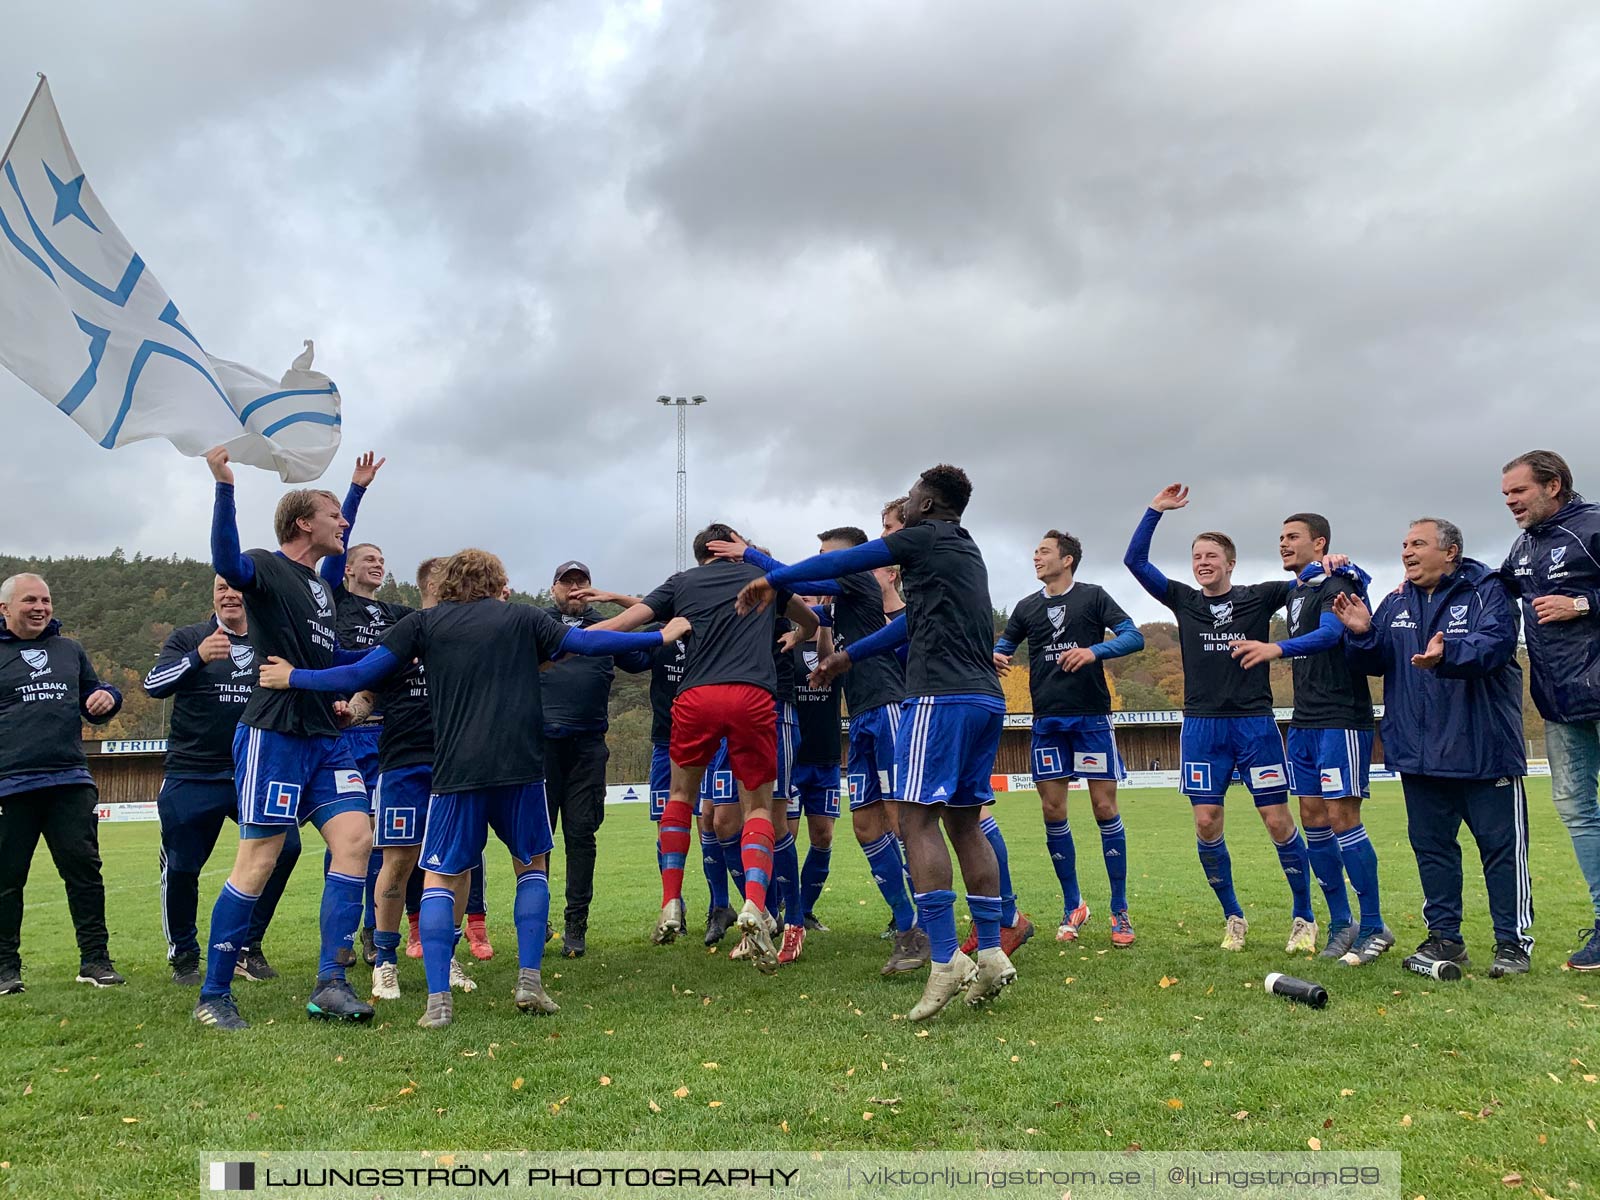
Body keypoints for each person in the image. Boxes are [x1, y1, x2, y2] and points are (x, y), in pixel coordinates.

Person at [260, 548, 689, 1026]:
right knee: (531, 869)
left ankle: (438, 1001)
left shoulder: (424, 625)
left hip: (455, 769)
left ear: (446, 584)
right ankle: (529, 980)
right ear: (497, 580)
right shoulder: (523, 618)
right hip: (521, 766)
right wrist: (661, 633)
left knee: (442, 876)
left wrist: (293, 676)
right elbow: (587, 644)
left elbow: (359, 673)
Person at [749, 465, 1014, 1020]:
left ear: (928, 504)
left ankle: (943, 957)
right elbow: (912, 624)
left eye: (913, 497)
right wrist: (847, 655)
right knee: (964, 822)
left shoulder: (922, 537)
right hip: (985, 700)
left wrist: (770, 574)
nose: (907, 504)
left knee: (916, 822)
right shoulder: (965, 550)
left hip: (939, 699)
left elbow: (840, 563)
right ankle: (989, 951)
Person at [192, 447, 379, 1030]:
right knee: (261, 858)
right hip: (274, 733)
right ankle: (214, 994)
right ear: (303, 522)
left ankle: (331, 982)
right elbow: (226, 557)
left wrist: (354, 489)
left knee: (355, 840)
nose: (343, 524)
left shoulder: (322, 585)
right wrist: (225, 486)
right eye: (333, 514)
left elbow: (330, 651)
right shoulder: (265, 568)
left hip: (328, 736)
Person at [590, 523, 819, 972]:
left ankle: (671, 900)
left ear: (699, 556)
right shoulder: (762, 578)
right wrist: (794, 636)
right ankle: (755, 905)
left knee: (681, 798)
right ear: (731, 550)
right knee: (757, 807)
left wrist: (572, 644)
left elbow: (623, 625)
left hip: (696, 697)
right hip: (754, 695)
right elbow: (810, 620)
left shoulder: (681, 583)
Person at [709, 526, 930, 975]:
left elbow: (804, 580)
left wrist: (752, 557)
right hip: (864, 714)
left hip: (888, 706)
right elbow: (815, 612)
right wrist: (801, 631)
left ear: (852, 560)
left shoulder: (858, 578)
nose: (822, 560)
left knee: (903, 821)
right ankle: (909, 928)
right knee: (867, 827)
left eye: (828, 555)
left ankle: (933, 925)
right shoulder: (848, 598)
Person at [1336, 518, 1533, 978]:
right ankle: (1446, 937)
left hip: (1483, 750)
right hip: (1420, 755)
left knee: (1501, 852)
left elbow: (1496, 646)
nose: (1407, 551)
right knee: (1433, 850)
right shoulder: (1397, 599)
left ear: (1451, 551)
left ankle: (1512, 945)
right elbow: (1373, 662)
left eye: (1418, 543)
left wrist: (1449, 657)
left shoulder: (1489, 591)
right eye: (1404, 544)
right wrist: (1363, 633)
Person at [1123, 484, 1315, 954]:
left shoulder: (1259, 596)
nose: (1202, 562)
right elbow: (1135, 562)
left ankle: (1304, 917)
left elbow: (1312, 581)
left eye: (1211, 555)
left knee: (1276, 820)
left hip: (1253, 724)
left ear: (1230, 562)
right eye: (1196, 557)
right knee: (1207, 823)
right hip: (1203, 727)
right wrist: (1154, 511)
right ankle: (1233, 917)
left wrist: (1334, 564)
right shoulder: (1185, 601)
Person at [1229, 514, 1391, 966]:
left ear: (1319, 543)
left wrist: (1274, 649)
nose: (1283, 543)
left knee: (1343, 818)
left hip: (1342, 718)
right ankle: (1342, 925)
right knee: (1313, 818)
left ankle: (1374, 925)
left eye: (1293, 537)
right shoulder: (1297, 590)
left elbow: (1331, 634)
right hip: (1303, 721)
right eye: (1280, 537)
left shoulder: (1337, 580)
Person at [143, 576, 300, 985]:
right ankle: (184, 956)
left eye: (236, 587)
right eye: (220, 588)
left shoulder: (270, 640)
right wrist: (196, 657)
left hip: (253, 771)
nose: (229, 594)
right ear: (213, 596)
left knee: (286, 849)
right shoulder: (190, 637)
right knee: (181, 867)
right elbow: (153, 685)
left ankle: (247, 946)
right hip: (193, 771)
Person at [994, 530, 1144, 947]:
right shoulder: (1026, 607)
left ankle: (1119, 910)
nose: (1036, 558)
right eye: (1035, 552)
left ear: (1068, 559)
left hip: (1092, 720)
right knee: (1053, 810)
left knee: (1103, 807)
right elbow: (1004, 646)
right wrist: (997, 654)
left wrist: (1095, 651)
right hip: (1047, 722)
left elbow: (1134, 635)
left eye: (1044, 552)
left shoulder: (1093, 597)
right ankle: (1073, 905)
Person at [360, 558, 480, 1001]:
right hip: (404, 764)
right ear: (435, 583)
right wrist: (349, 712)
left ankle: (445, 957)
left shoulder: (468, 636)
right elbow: (366, 689)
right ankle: (386, 961)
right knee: (399, 861)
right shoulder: (402, 632)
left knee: (458, 862)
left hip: (457, 764)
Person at [0, 573, 124, 994]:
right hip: (10, 786)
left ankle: (95, 961)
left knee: (85, 875)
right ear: (5, 609)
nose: (40, 607)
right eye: (29, 600)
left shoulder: (69, 650)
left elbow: (97, 700)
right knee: (6, 879)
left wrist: (108, 697)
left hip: (70, 779)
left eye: (46, 600)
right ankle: (5, 969)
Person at [1500, 450, 1600, 971]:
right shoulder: (1521, 548)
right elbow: (1490, 587)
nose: (1510, 502)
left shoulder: (1593, 527)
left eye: (1518, 491)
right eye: (1506, 495)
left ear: (1554, 484)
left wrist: (1583, 604)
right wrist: (1423, 576)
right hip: (1561, 702)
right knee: (1577, 810)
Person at [540, 562, 653, 958]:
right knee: (537, 840)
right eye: (566, 582)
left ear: (591, 588)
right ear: (552, 588)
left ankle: (576, 924)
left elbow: (646, 653)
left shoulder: (610, 627)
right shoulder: (536, 624)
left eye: (581, 582)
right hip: (539, 746)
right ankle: (537, 920)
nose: (574, 589)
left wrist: (622, 604)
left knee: (581, 835)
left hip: (588, 746)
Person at [315, 452, 397, 966]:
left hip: (388, 736)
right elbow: (334, 545)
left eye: (383, 560)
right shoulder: (332, 598)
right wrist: (356, 490)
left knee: (385, 837)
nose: (378, 564)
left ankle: (375, 929)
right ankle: (340, 937)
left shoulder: (393, 614)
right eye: (369, 558)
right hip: (346, 733)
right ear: (346, 568)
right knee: (348, 834)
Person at [785, 606, 841, 950]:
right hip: (791, 758)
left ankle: (805, 911)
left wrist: (825, 626)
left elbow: (833, 659)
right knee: (784, 837)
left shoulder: (831, 645)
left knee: (822, 836)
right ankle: (784, 910)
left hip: (827, 756)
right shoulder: (783, 643)